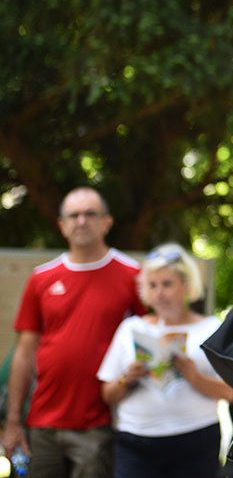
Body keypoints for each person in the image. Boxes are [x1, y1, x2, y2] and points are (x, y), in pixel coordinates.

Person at [3, 187, 145, 478]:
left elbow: (149, 344)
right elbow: (24, 352)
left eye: (90, 214)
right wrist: (13, 421)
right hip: (43, 421)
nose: (82, 221)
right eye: (74, 215)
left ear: (107, 222)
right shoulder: (42, 278)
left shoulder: (133, 275)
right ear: (62, 225)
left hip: (102, 423)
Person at [97, 243, 233, 478]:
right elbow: (107, 395)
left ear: (187, 286)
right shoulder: (131, 328)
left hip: (196, 440)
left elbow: (231, 393)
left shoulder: (211, 328)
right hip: (136, 442)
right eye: (152, 285)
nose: (159, 293)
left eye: (167, 284)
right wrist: (127, 379)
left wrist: (195, 377)